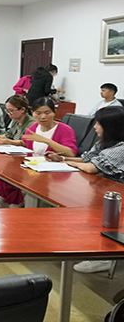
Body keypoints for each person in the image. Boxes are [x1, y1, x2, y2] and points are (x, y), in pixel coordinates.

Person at [46, 107, 124, 274]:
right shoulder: (104, 142)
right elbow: (85, 158)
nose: (95, 126)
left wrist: (68, 163)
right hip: (99, 190)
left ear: (111, 127)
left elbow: (91, 167)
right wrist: (62, 158)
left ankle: (105, 258)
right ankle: (91, 247)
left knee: (100, 218)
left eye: (98, 123)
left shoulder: (121, 148)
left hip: (117, 197)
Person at [0, 97, 77, 208]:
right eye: (38, 113)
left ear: (54, 112)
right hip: (31, 169)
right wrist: (8, 141)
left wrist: (47, 141)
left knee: (24, 187)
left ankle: (14, 214)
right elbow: (25, 143)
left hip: (49, 175)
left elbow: (71, 153)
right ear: (32, 113)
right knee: (3, 179)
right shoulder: (34, 127)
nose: (43, 117)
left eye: (47, 113)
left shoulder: (65, 129)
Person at [0, 95, 35, 201]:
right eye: (7, 111)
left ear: (22, 110)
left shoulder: (31, 124)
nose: (9, 114)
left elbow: (25, 143)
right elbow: (8, 136)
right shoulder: (15, 120)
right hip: (11, 156)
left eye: (11, 111)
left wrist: (8, 141)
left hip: (23, 159)